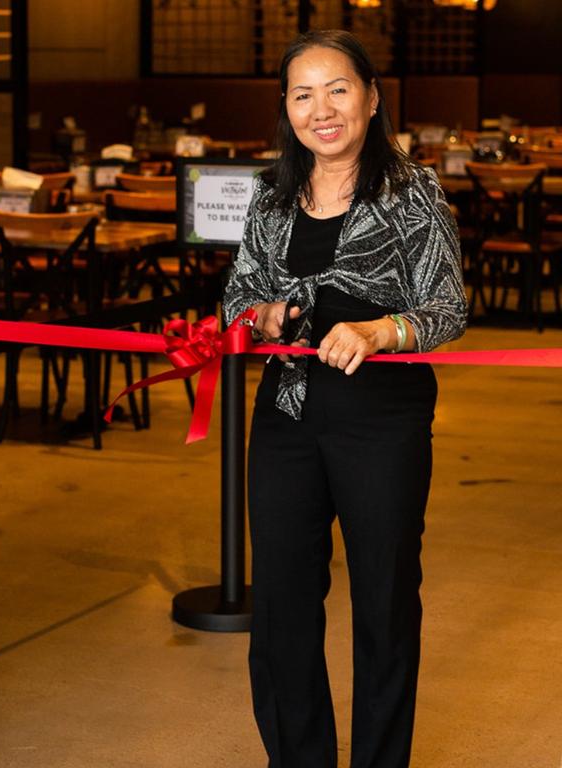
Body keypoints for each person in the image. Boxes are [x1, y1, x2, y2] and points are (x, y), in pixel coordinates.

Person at [223, 30, 467, 768]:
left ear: (370, 99)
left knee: (384, 604)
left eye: (337, 89)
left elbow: (448, 306)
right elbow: (235, 297)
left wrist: (382, 328)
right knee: (283, 608)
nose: (321, 108)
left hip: (381, 420)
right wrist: (261, 315)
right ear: (286, 109)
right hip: (288, 415)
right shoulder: (270, 197)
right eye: (303, 94)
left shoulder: (411, 189)